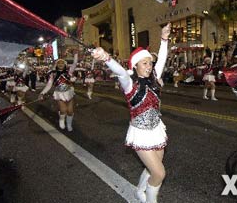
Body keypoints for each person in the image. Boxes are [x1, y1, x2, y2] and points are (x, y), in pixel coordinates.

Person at [91, 23, 171, 203]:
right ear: (135, 66)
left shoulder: (154, 79)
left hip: (157, 129)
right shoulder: (130, 84)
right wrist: (106, 58)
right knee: (159, 173)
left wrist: (164, 39)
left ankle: (139, 191)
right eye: (145, 63)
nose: (149, 66)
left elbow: (163, 58)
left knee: (153, 168)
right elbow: (120, 72)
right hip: (141, 133)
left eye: (150, 62)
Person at [38, 49, 78, 131]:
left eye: (62, 63)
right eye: (59, 63)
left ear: (65, 64)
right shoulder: (53, 73)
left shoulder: (69, 72)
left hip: (69, 92)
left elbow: (75, 63)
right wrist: (42, 93)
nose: (60, 64)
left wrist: (76, 54)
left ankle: (69, 124)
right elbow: (49, 85)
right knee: (63, 110)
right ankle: (62, 119)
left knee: (70, 111)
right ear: (56, 64)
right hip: (59, 93)